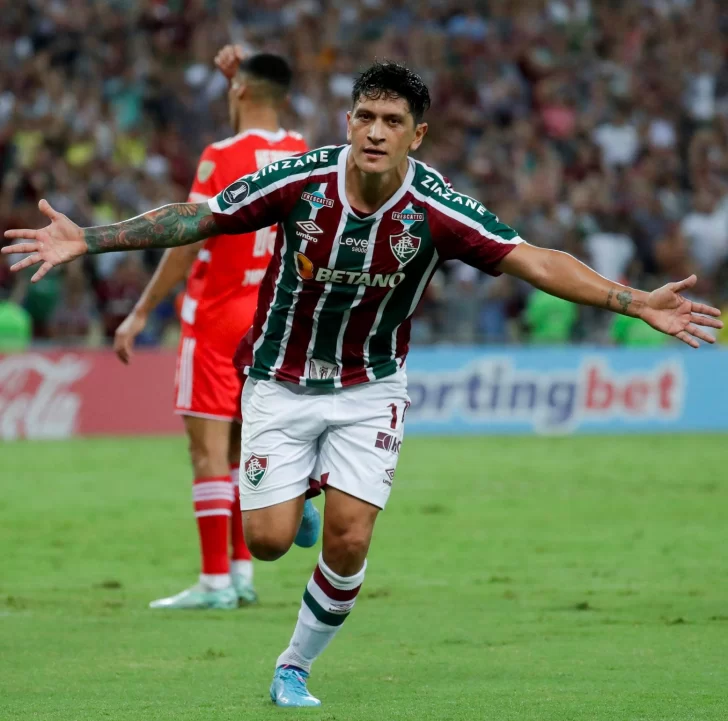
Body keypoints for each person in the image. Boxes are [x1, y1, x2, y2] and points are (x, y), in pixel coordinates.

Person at [4, 62, 722, 708]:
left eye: (392, 122)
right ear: (348, 121)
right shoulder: (302, 182)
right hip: (279, 382)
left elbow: (534, 259)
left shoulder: (435, 208)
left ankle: (293, 667)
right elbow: (201, 216)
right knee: (269, 539)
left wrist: (634, 300)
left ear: (418, 135)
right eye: (365, 117)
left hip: (369, 387)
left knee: (350, 539)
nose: (375, 133)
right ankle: (301, 496)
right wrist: (88, 238)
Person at [113, 46, 311, 610]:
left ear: (239, 92)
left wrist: (142, 310)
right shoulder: (301, 150)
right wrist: (244, 80)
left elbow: (189, 236)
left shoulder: (219, 155)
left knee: (207, 451)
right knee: (241, 449)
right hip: (271, 318)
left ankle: (214, 582)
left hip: (219, 314)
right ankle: (243, 575)